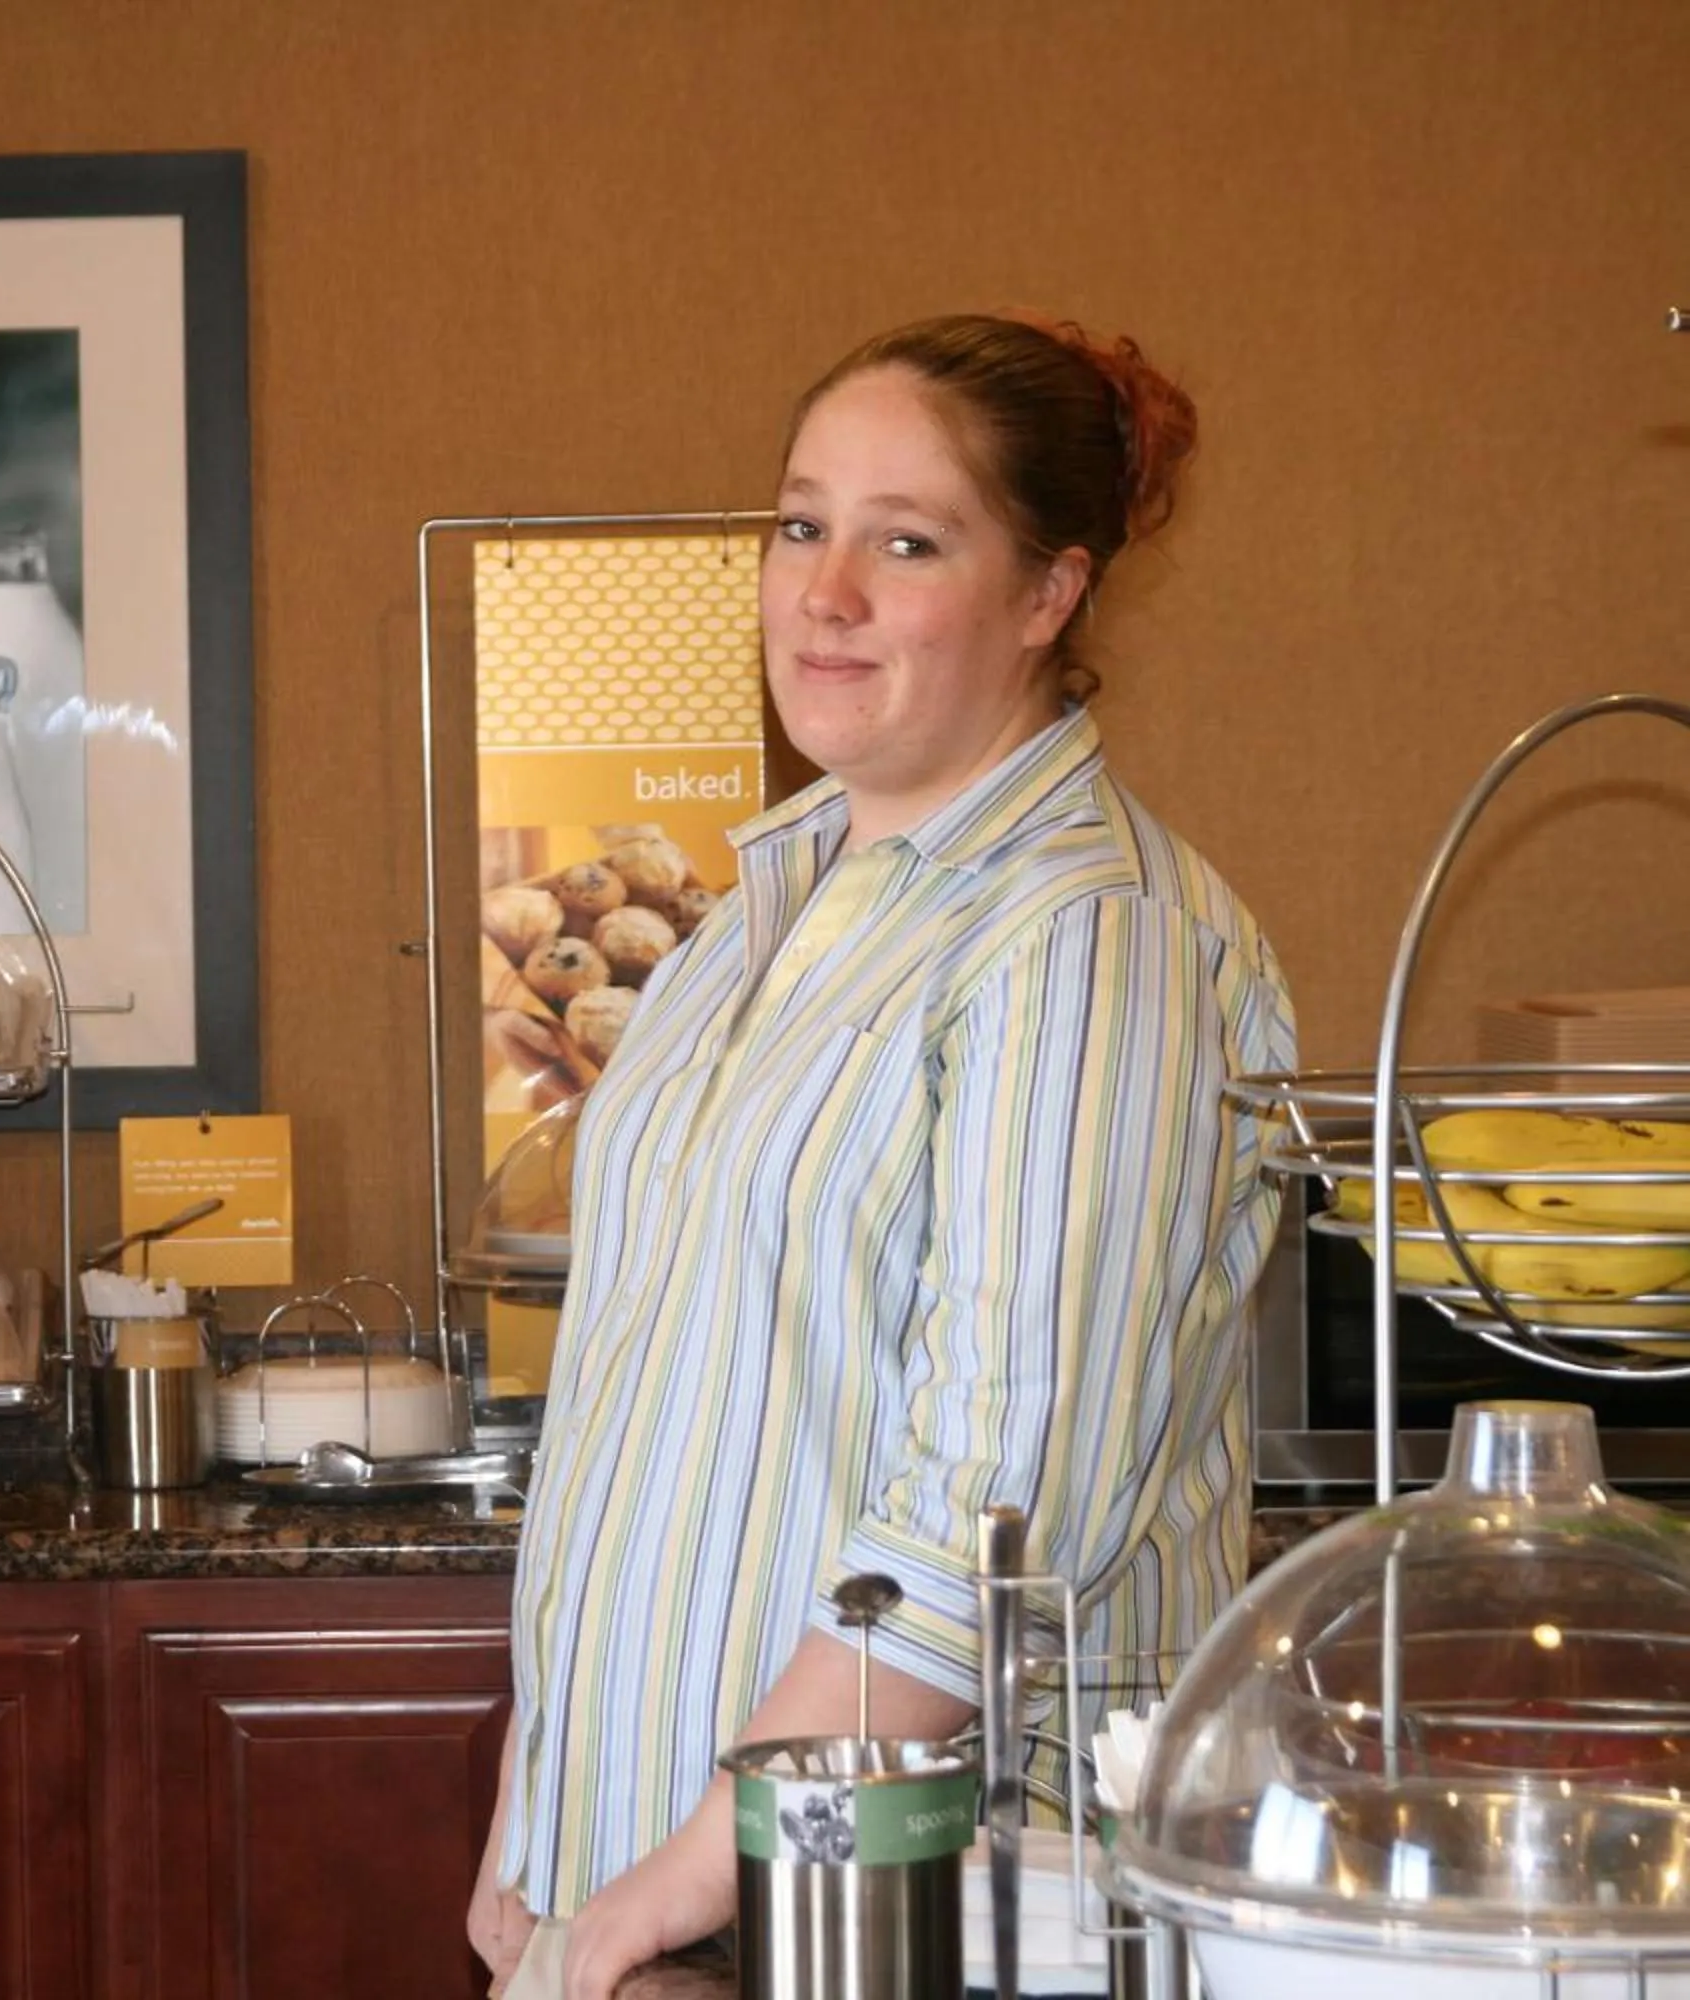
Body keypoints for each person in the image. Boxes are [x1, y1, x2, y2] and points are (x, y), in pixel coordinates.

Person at [468, 314, 1296, 2000]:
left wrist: (685, 1874)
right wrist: (541, 1828)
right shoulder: (756, 907)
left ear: (1048, 594)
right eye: (801, 526)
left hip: (913, 1904)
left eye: (906, 543)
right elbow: (647, 1400)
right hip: (663, 1879)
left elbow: (997, 1514)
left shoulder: (1088, 939)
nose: (823, 593)